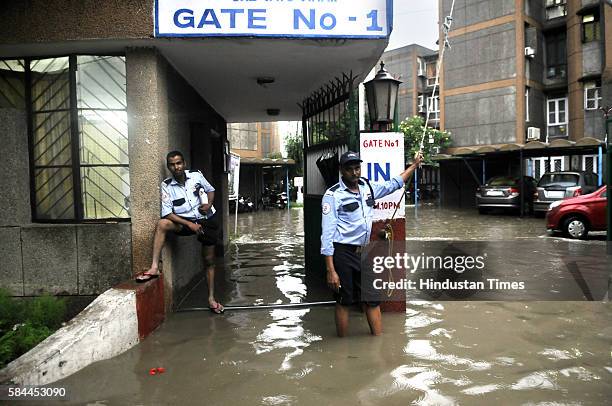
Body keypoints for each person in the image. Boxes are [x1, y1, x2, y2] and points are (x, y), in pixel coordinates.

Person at [321, 151, 422, 336]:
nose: (354, 172)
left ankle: (377, 342)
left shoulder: (367, 186)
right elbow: (326, 235)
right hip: (343, 253)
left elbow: (394, 184)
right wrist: (331, 270)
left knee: (373, 299)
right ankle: (341, 346)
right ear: (341, 171)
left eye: (357, 168)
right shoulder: (333, 195)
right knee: (344, 301)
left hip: (365, 252)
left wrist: (414, 166)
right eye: (349, 169)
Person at [135, 150, 224, 314]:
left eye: (179, 163)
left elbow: (210, 189)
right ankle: (154, 267)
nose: (176, 167)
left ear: (184, 164)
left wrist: (208, 204)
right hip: (185, 223)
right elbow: (168, 213)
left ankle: (211, 298)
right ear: (169, 167)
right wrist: (189, 225)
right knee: (162, 223)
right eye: (172, 164)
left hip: (206, 221)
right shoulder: (167, 185)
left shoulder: (196, 176)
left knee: (209, 260)